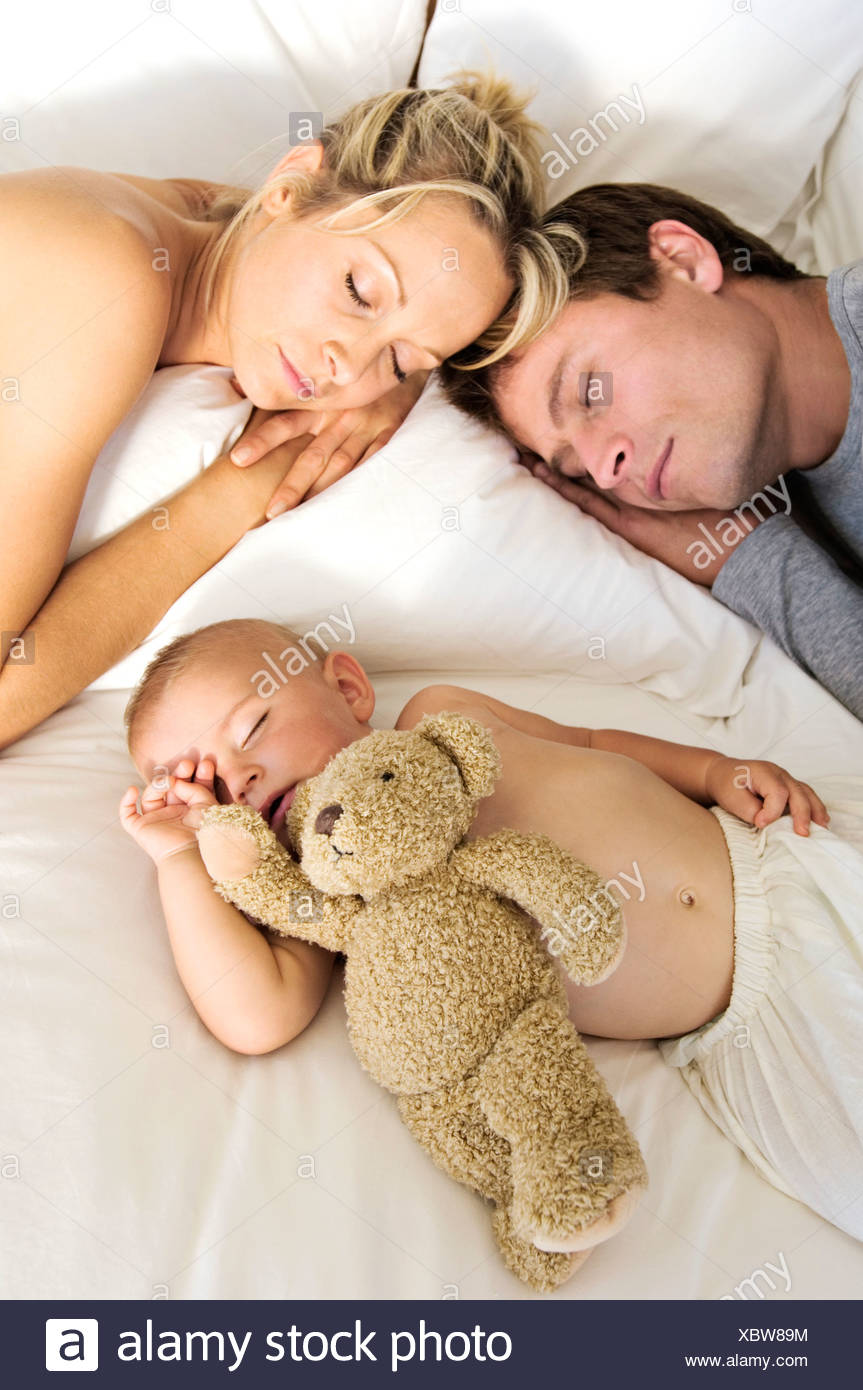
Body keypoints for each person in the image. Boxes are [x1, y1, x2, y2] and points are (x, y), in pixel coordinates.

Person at [119, 617, 863, 1242]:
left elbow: (592, 739)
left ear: (347, 689)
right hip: (751, 1031)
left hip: (782, 859)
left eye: (252, 728)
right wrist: (179, 853)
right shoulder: (337, 901)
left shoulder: (442, 718)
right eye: (208, 783)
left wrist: (711, 771)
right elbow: (258, 1016)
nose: (240, 778)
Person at [0, 71, 583, 751]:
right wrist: (241, 488)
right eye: (359, 291)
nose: (347, 368)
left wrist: (396, 378)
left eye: (401, 360)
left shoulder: (212, 226)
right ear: (288, 185)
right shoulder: (109, 274)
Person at [437, 182, 863, 720]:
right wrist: (746, 555)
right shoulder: (798, 501)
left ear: (684, 261)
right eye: (577, 469)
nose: (604, 471)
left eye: (590, 391)